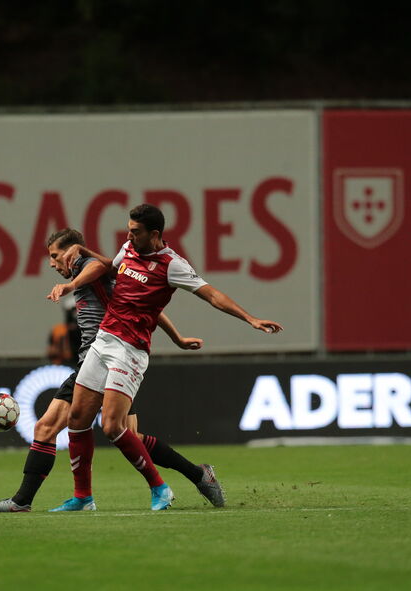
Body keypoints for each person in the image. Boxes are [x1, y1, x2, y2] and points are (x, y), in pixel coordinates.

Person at [50, 204, 283, 512]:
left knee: (112, 427)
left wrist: (250, 318)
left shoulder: (172, 265)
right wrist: (83, 250)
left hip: (130, 349)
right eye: (128, 230)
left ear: (154, 234)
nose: (129, 236)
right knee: (77, 419)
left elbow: (211, 294)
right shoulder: (128, 249)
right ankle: (83, 497)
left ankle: (160, 488)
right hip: (103, 341)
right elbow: (110, 267)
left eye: (136, 232)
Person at [0, 227, 225, 513]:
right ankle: (197, 475)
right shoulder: (96, 277)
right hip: (101, 359)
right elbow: (148, 308)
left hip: (111, 356)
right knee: (128, 435)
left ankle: (25, 501)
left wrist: (73, 281)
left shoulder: (88, 268)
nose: (52, 263)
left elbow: (96, 265)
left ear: (72, 251)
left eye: (56, 256)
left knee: (50, 427)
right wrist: (177, 338)